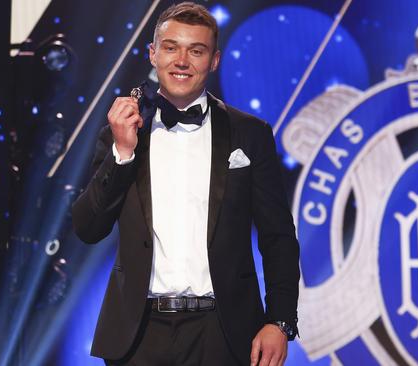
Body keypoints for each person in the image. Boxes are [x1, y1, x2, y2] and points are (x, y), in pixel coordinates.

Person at [71, 2, 300, 365]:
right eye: (171, 47)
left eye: (196, 50)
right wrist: (122, 152)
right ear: (153, 53)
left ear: (214, 60)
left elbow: (279, 238)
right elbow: (87, 227)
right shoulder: (123, 134)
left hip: (223, 332)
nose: (182, 60)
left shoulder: (250, 135)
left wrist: (281, 320)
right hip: (137, 336)